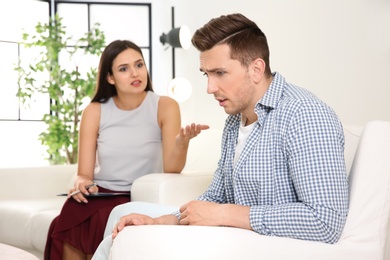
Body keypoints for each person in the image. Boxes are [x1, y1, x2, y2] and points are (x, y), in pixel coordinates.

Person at [93, 13, 349, 259]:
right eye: (207, 74)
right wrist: (161, 221)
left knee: (129, 237)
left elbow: (324, 220)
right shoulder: (234, 121)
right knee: (125, 218)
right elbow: (216, 197)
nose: (209, 88)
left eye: (220, 73)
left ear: (256, 69)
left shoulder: (304, 115)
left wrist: (225, 214)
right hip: (239, 239)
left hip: (276, 247)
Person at [44, 39, 209, 260]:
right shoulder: (94, 111)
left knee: (104, 217)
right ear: (110, 78)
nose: (135, 73)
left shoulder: (165, 106)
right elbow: (84, 173)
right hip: (101, 193)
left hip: (136, 196)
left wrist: (182, 142)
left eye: (139, 65)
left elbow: (172, 168)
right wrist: (81, 183)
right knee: (69, 215)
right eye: (124, 69)